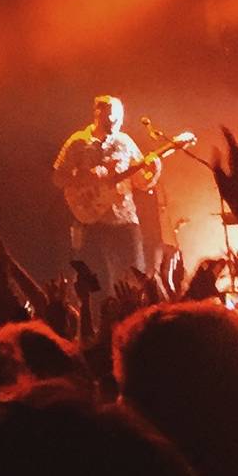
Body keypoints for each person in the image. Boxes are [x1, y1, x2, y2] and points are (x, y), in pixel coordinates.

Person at [52, 95, 157, 315]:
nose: (114, 122)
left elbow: (141, 181)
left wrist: (154, 172)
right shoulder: (78, 142)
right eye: (110, 117)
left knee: (135, 276)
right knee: (100, 283)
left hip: (125, 219)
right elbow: (58, 177)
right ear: (97, 116)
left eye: (118, 118)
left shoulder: (125, 142)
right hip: (92, 221)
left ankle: (136, 320)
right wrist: (84, 178)